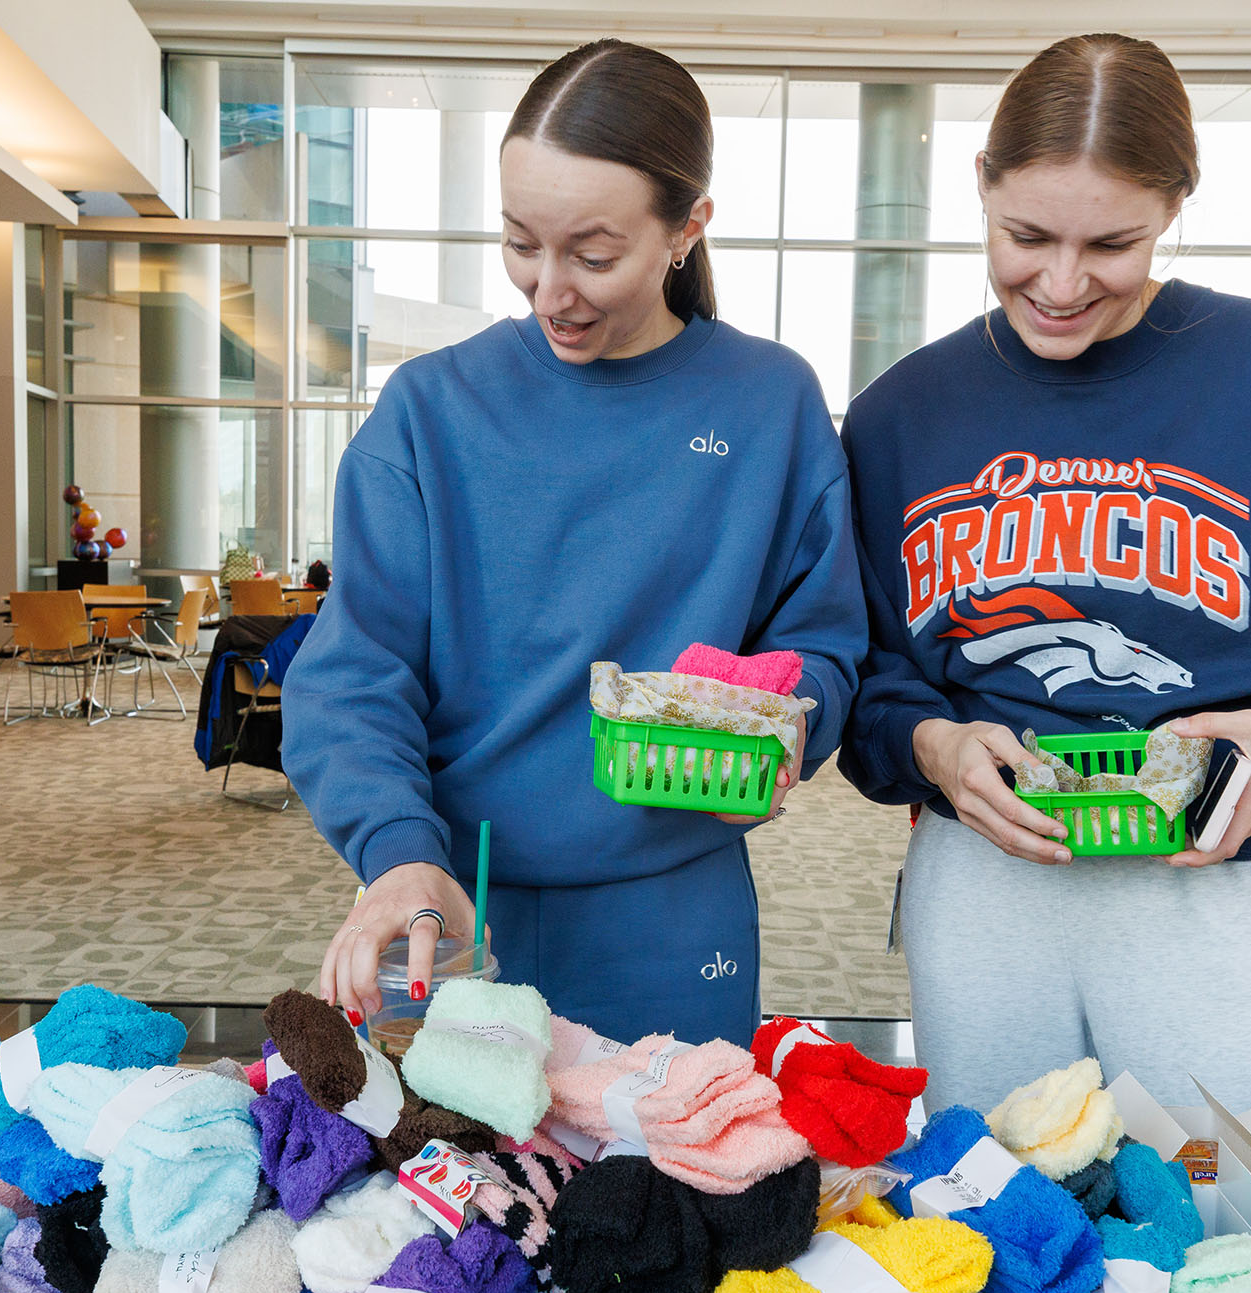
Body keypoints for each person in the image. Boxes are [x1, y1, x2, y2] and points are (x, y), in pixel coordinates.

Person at [840, 33, 1251, 1113]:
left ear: (1176, 205)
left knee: (1228, 1229)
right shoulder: (898, 414)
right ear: (981, 189)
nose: (1060, 283)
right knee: (996, 1225)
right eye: (1025, 236)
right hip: (988, 887)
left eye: (1113, 243)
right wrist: (930, 743)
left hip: (1223, 887)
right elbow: (858, 665)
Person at [283, 39, 865, 1047]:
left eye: (594, 256)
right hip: (450, 905)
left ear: (688, 230)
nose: (549, 289)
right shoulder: (430, 410)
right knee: (453, 1193)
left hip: (673, 916)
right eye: (521, 244)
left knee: (674, 1191)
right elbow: (352, 675)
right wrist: (399, 853)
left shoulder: (771, 404)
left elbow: (825, 642)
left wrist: (789, 719)